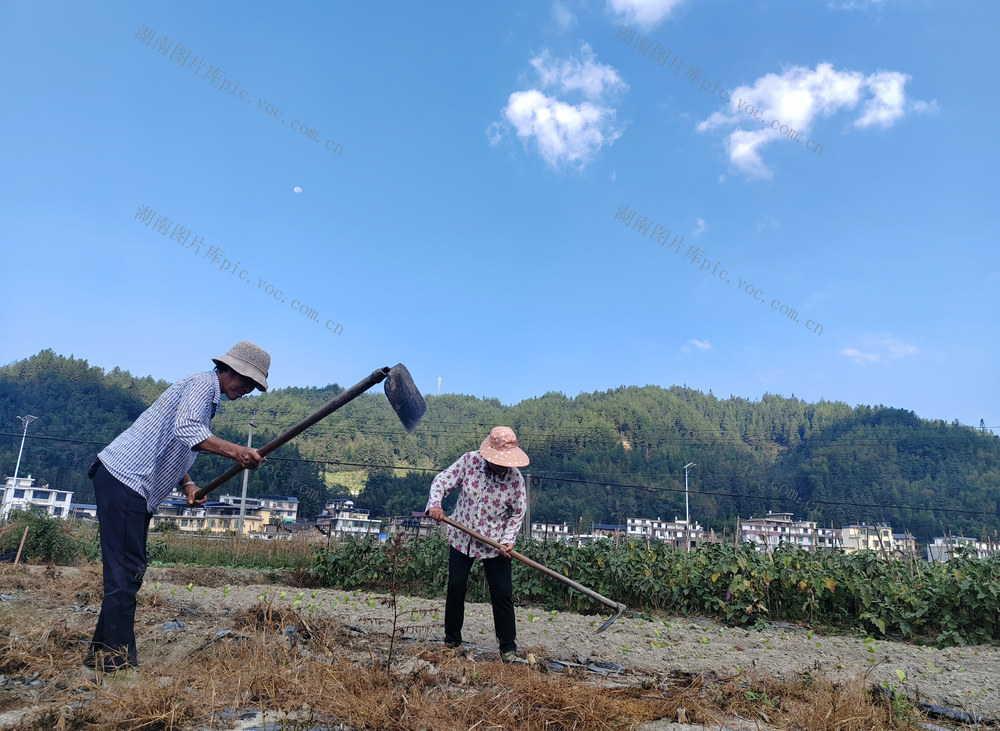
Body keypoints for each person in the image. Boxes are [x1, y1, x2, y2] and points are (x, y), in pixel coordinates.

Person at [84, 341, 271, 677]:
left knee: (127, 574)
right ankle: (116, 667)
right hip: (124, 477)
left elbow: (176, 440)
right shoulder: (202, 384)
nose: (246, 388)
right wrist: (237, 451)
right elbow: (187, 431)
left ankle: (97, 661)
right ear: (225, 368)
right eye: (244, 378)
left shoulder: (205, 398)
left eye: (253, 385)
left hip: (133, 486)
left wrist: (188, 484)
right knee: (126, 574)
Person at [427, 426, 528, 662]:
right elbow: (441, 481)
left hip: (494, 544)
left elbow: (518, 512)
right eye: (497, 460)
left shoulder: (515, 480)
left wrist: (507, 541)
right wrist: (435, 504)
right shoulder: (470, 462)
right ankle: (452, 642)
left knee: (502, 593)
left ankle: (508, 648)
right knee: (456, 587)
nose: (501, 464)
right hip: (462, 537)